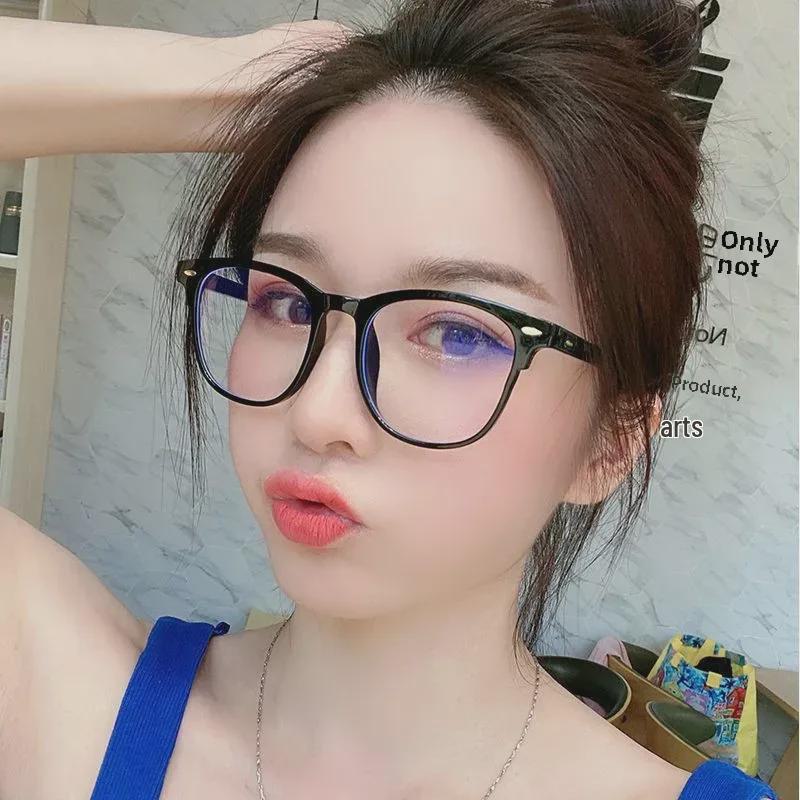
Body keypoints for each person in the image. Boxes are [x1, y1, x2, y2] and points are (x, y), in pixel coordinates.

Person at [0, 1, 778, 798]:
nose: (319, 414)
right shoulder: (63, 707)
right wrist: (231, 85)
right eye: (287, 302)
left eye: (457, 333)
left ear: (609, 443)